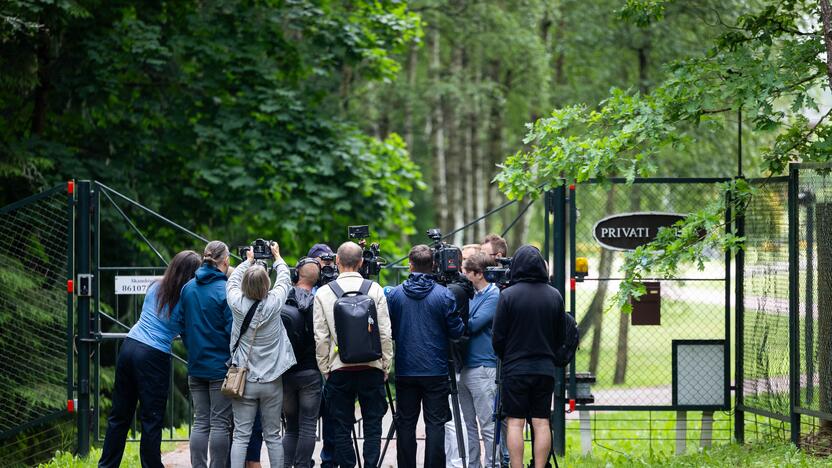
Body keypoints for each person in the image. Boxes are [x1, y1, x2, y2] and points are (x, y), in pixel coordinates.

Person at [98, 250, 201, 468]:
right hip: (152, 356)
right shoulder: (187, 297)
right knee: (151, 419)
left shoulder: (155, 286)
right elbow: (187, 332)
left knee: (119, 416)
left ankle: (106, 466)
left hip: (129, 346)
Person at [313, 241, 393, 468]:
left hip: (339, 368)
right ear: (361, 263)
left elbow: (321, 337)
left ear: (337, 261)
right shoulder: (375, 289)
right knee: (373, 424)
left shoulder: (324, 293)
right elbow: (385, 332)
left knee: (341, 426)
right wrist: (385, 365)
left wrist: (325, 369)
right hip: (371, 366)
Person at [387, 245, 465, 468]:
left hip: (406, 368)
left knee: (406, 424)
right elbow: (457, 331)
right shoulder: (444, 295)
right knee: (435, 425)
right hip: (436, 369)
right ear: (433, 265)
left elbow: (389, 329)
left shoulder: (396, 295)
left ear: (410, 264)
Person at [491, 245, 565, 468]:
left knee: (515, 422)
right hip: (544, 369)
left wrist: (508, 356)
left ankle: (516, 466)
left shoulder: (508, 295)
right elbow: (560, 336)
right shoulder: (554, 296)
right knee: (541, 421)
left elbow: (498, 337)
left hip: (515, 369)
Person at [227, 243, 296, 467]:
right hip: (271, 380)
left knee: (240, 435)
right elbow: (285, 278)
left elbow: (232, 281)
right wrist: (277, 256)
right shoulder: (275, 302)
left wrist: (247, 261)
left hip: (244, 380)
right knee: (273, 436)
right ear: (267, 283)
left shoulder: (236, 303)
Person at [179, 241, 234, 468]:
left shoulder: (188, 288)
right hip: (220, 366)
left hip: (196, 364)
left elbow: (181, 326)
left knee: (200, 422)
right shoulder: (226, 291)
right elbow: (233, 332)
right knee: (220, 423)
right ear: (225, 261)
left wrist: (193, 349)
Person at [456, 253, 501, 468]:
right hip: (465, 367)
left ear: (479, 273)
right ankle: (472, 464)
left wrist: (459, 316)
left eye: (466, 273)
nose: (463, 277)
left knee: (488, 425)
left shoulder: (493, 295)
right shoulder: (471, 294)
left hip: (483, 367)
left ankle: (493, 464)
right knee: (468, 426)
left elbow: (472, 325)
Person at [281, 258, 323, 467]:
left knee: (291, 427)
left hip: (286, 372)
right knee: (308, 427)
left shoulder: (282, 299)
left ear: (296, 274)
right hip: (310, 372)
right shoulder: (319, 302)